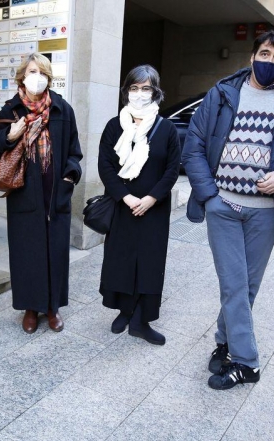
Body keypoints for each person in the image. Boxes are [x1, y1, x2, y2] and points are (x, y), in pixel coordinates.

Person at [182, 29, 274, 390]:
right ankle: (247, 363)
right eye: (265, 53)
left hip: (267, 212)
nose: (270, 61)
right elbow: (193, 146)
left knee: (247, 286)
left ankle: (225, 343)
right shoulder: (222, 94)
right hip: (223, 206)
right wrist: (210, 195)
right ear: (252, 55)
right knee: (234, 283)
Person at [0, 53, 82, 334]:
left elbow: (75, 152)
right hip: (24, 195)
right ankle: (29, 308)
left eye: (41, 72)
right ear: (21, 78)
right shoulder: (11, 110)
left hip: (56, 194)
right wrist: (11, 135)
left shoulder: (63, 109)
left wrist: (69, 176)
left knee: (55, 252)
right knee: (28, 253)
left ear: (49, 77)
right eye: (30, 72)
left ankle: (52, 307)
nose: (35, 77)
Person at [97, 65, 181, 345]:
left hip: (153, 208)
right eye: (134, 88)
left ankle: (141, 320)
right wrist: (126, 197)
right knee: (120, 260)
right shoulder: (113, 126)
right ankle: (123, 311)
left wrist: (151, 199)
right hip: (123, 205)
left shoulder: (166, 128)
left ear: (155, 92)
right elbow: (105, 166)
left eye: (146, 88)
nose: (139, 94)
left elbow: (172, 169)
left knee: (149, 263)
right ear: (126, 91)